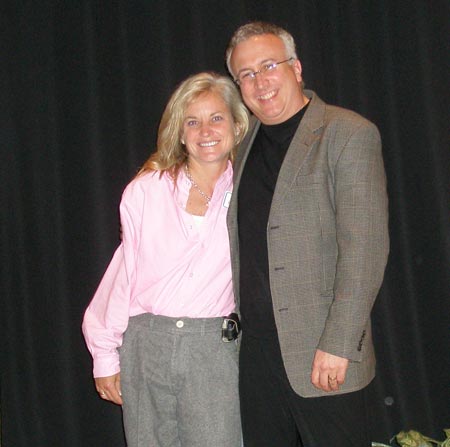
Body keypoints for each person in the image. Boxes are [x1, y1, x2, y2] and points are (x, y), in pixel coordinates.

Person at [225, 22, 389, 446]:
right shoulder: (240, 148)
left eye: (268, 65)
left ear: (296, 68)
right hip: (256, 359)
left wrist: (338, 343)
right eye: (245, 74)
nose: (259, 81)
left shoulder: (348, 133)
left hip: (323, 353)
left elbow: (365, 251)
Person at [82, 71, 248, 447]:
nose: (205, 130)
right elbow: (124, 274)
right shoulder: (145, 192)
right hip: (146, 345)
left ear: (237, 126)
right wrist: (105, 356)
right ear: (180, 131)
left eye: (216, 118)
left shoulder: (251, 192)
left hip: (213, 349)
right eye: (193, 121)